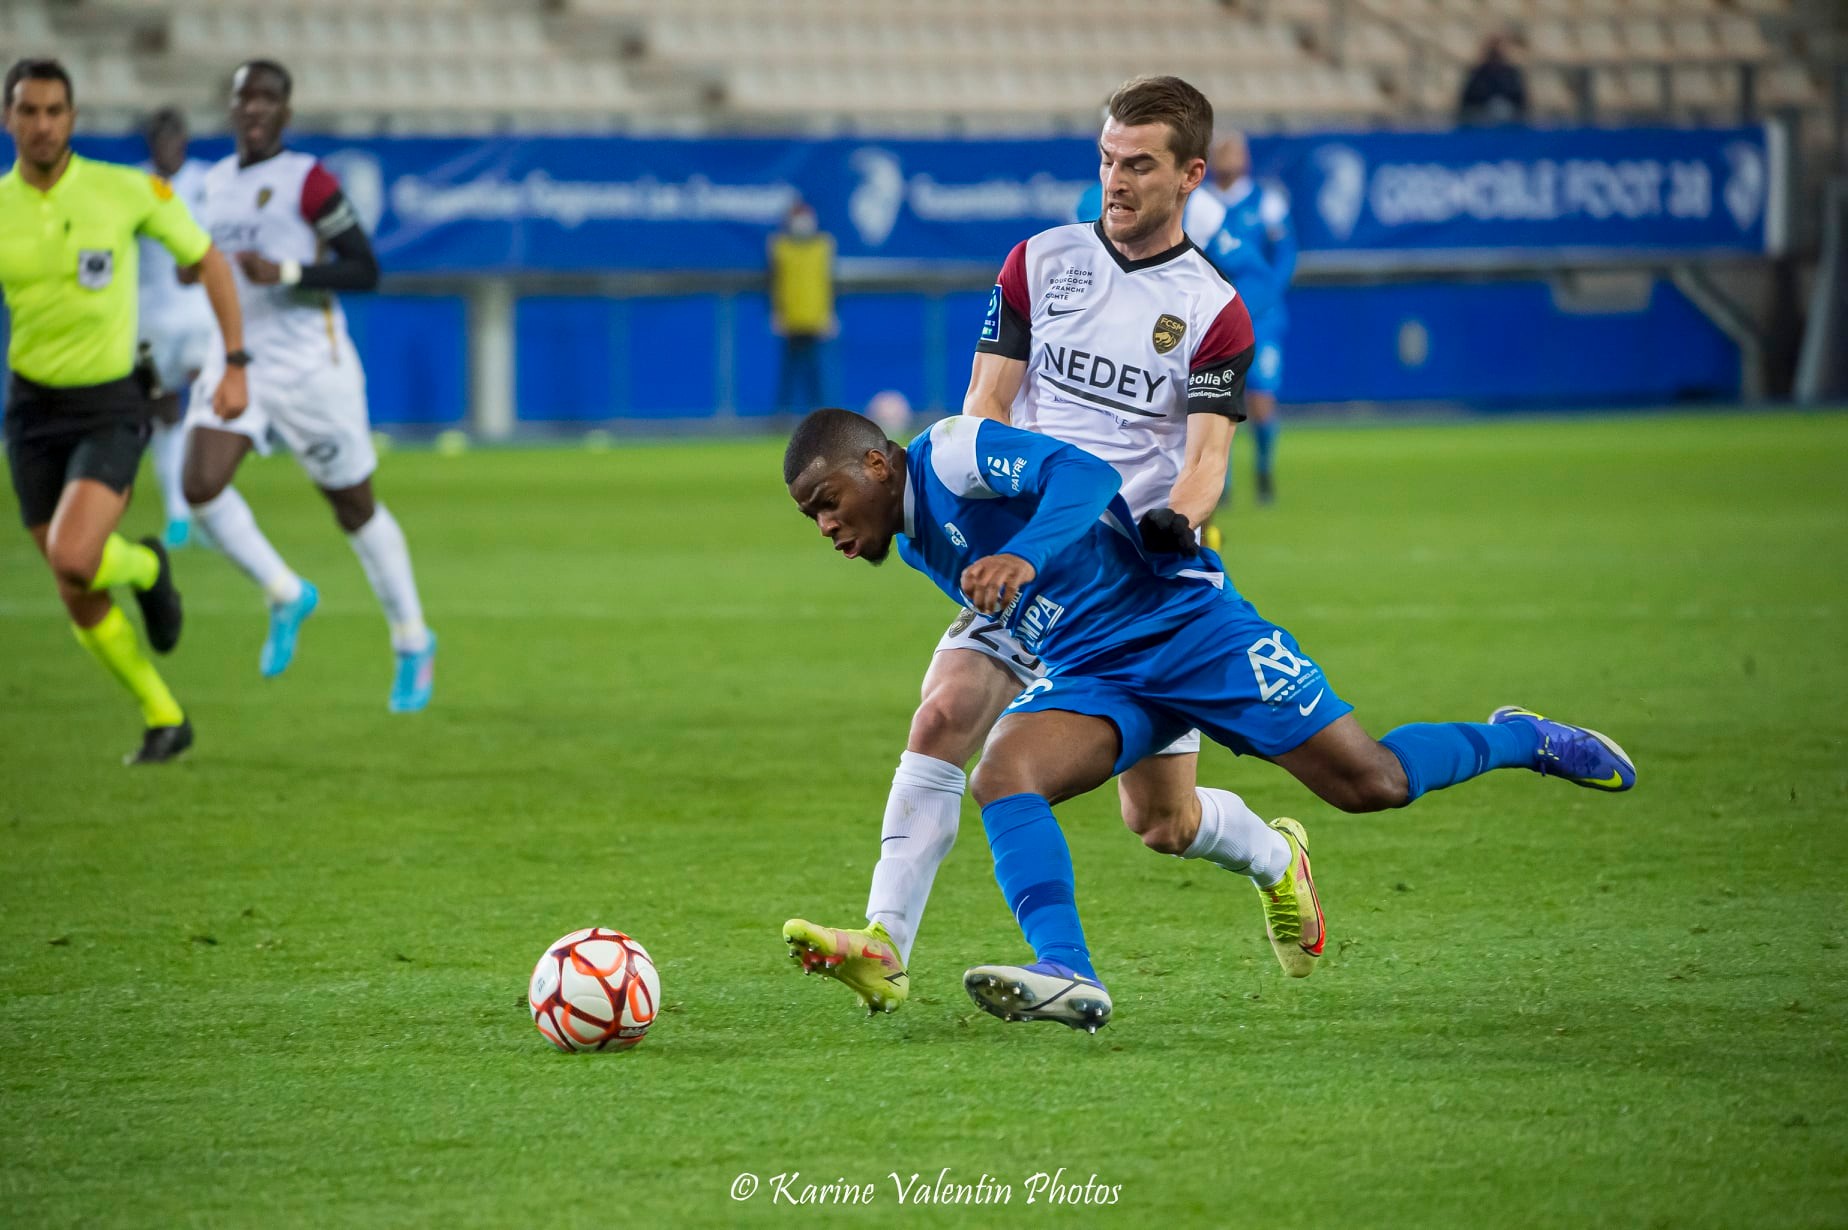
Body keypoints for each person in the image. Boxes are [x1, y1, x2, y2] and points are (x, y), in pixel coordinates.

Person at [785, 407, 1636, 1031]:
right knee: (1009, 774)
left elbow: (1086, 479)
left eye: (828, 499)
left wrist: (1023, 553)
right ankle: (1067, 972)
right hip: (1098, 673)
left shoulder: (951, 453)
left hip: (1190, 632)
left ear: (877, 461)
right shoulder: (914, 529)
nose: (826, 525)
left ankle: (1521, 736)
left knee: (1372, 781)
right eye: (810, 516)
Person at [783, 76, 1293, 1017]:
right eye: (1104, 159)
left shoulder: (1212, 306)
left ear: (1185, 175)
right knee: (943, 717)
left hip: (1126, 583)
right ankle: (886, 943)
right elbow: (988, 406)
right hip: (1025, 556)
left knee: (1162, 821)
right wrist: (995, 515)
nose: (1113, 179)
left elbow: (1206, 460)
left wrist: (1170, 523)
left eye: (1135, 163)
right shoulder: (1039, 262)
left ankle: (1275, 855)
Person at [0, 58, 248, 764]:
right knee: (73, 585)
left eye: (54, 111)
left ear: (73, 119)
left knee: (74, 555)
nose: (42, 124)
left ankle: (143, 566)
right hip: (30, 410)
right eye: (28, 111)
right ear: (8, 118)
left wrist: (234, 362)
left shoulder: (124, 191)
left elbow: (210, 263)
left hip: (111, 402)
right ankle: (163, 715)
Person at [181, 60, 436, 712]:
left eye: (268, 99)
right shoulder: (212, 184)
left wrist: (289, 269)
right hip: (236, 361)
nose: (256, 109)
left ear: (285, 112)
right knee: (198, 484)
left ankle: (412, 638)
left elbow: (366, 268)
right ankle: (286, 592)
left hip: (309, 371)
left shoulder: (309, 181)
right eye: (245, 98)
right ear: (233, 108)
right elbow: (209, 266)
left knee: (354, 507)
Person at [1199, 130, 1296, 514]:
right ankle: (1222, 481)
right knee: (1220, 400)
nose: (1229, 157)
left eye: (1234, 150)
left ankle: (1264, 470)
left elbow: (1285, 254)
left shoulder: (1266, 201)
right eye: (1222, 150)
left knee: (1260, 399)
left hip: (1262, 317)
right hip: (1218, 319)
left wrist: (1268, 295)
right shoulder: (1201, 203)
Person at [136, 106, 215, 549]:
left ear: (183, 140)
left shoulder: (207, 182)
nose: (166, 147)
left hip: (200, 315)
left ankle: (207, 504)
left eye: (173, 138)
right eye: (158, 139)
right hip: (148, 320)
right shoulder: (133, 184)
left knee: (205, 402)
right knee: (161, 412)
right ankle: (178, 514)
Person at [768, 200, 835, 417]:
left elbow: (827, 282)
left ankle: (822, 416)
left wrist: (829, 314)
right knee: (789, 371)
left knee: (815, 371)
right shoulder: (780, 246)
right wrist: (776, 313)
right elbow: (774, 282)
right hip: (790, 318)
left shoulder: (823, 246)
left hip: (815, 318)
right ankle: (782, 414)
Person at [1458, 34, 1527, 125]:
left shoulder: (1511, 74)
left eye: (1498, 52)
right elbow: (1467, 101)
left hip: (1509, 123)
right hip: (1480, 121)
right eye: (1493, 51)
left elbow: (1520, 100)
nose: (1495, 55)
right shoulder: (1478, 73)